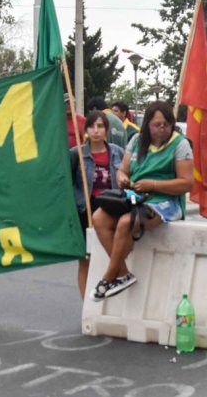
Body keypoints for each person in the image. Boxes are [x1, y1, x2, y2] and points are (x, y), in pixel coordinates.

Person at [89, 101, 194, 301]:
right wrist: (121, 178)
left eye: (166, 124)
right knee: (99, 218)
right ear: (147, 124)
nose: (162, 129)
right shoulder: (136, 140)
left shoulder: (180, 144)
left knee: (126, 223)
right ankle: (123, 274)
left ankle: (108, 278)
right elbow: (123, 169)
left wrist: (153, 185)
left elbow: (187, 184)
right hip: (135, 196)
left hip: (165, 201)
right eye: (157, 125)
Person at [70, 111, 124, 298]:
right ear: (86, 130)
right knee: (85, 260)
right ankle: (87, 305)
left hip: (112, 209)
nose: (96, 131)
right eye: (92, 126)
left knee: (110, 256)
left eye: (100, 126)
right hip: (85, 211)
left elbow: (127, 176)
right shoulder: (76, 154)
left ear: (107, 130)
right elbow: (67, 184)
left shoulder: (117, 152)